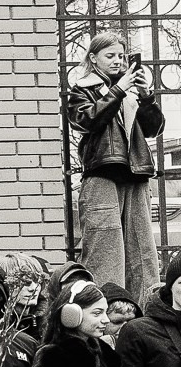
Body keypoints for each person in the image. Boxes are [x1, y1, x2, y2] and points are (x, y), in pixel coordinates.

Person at [68, 34, 164, 304]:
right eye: (110, 55)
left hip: (136, 174)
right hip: (102, 176)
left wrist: (145, 97)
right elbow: (86, 120)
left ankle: (143, 315)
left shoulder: (131, 90)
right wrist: (117, 90)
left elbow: (155, 128)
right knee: (105, 251)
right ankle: (103, 312)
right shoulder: (82, 88)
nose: (118, 61)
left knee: (142, 253)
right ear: (93, 58)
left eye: (121, 56)